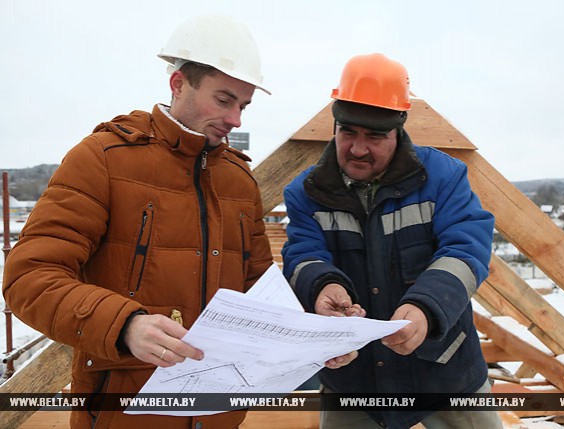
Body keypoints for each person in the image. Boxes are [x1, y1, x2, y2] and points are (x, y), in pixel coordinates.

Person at [2, 15, 356, 429]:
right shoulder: (102, 159)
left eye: (243, 106)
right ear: (178, 84)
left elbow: (261, 298)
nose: (237, 119)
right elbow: (29, 277)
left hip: (219, 415)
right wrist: (124, 325)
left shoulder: (239, 182)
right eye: (224, 101)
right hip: (124, 415)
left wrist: (314, 336)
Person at [281, 53, 503, 429]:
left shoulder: (443, 178)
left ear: (398, 131)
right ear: (334, 126)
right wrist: (323, 287)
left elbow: (467, 250)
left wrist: (425, 308)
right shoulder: (305, 192)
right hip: (353, 377)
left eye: (374, 136)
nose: (358, 148)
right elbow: (303, 255)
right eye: (348, 132)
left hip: (444, 371)